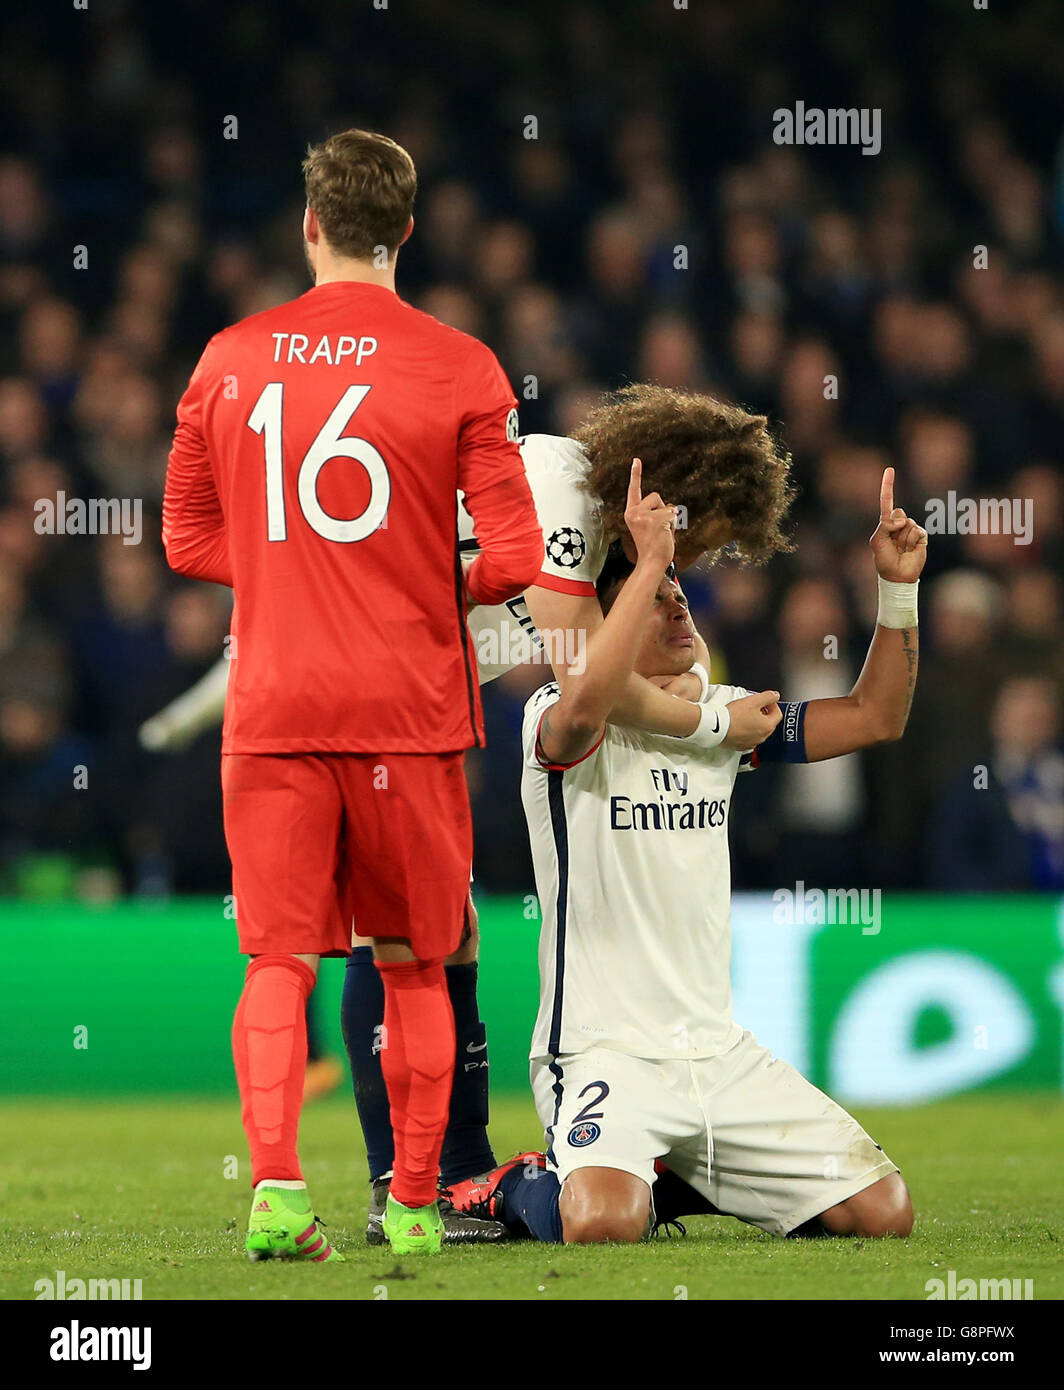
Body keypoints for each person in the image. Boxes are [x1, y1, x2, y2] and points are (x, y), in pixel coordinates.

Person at [148, 385, 797, 1242]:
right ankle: (402, 1187)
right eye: (709, 534)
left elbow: (618, 670)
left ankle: (444, 1174)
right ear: (679, 499)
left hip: (387, 688)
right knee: (401, 935)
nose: (698, 557)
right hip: (369, 687)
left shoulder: (593, 531)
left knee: (439, 932)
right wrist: (717, 721)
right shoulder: (563, 492)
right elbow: (586, 684)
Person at [162, 128, 543, 1259]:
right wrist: (407, 575)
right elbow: (515, 558)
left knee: (275, 956)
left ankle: (276, 1193)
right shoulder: (461, 362)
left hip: (275, 707)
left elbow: (186, 537)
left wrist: (297, 570)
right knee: (412, 959)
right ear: (408, 232)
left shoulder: (228, 357)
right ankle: (415, 1205)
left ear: (310, 226)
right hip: (406, 715)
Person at [447, 464, 925, 1244]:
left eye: (680, 599)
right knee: (602, 1225)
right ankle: (512, 1186)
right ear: (603, 631)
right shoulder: (559, 720)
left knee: (882, 1213)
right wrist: (642, 562)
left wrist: (897, 590)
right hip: (602, 1051)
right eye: (655, 599)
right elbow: (588, 697)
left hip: (718, 1052)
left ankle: (674, 1179)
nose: (677, 608)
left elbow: (875, 717)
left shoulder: (728, 719)